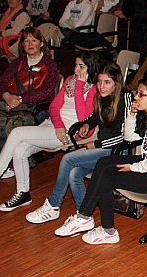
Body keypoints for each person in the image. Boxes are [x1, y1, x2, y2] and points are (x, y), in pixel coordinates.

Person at [54, 78, 147, 244]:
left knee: (106, 178)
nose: (135, 97)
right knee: (104, 162)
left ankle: (100, 226)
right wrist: (131, 114)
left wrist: (133, 167)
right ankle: (88, 218)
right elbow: (129, 137)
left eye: (140, 94)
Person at [0, 52, 98, 210]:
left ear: (90, 68)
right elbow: (54, 106)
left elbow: (82, 117)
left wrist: (79, 88)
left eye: (81, 66)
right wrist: (58, 124)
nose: (76, 70)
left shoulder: (93, 90)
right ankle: (23, 194)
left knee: (17, 133)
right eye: (75, 65)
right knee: (20, 150)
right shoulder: (69, 81)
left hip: (70, 132)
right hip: (55, 125)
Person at [25, 63, 135, 225]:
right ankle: (84, 215)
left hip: (117, 151)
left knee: (68, 159)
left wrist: (96, 144)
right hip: (103, 148)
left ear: (116, 83)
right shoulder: (102, 95)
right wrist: (87, 124)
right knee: (74, 173)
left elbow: (126, 138)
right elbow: (95, 116)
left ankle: (53, 204)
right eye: (99, 82)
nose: (101, 86)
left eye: (107, 82)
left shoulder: (125, 98)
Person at [0, 27, 59, 156]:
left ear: (41, 43)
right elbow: (1, 84)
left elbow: (46, 92)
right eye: (26, 41)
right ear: (22, 45)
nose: (30, 44)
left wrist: (19, 100)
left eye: (34, 40)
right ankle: (7, 158)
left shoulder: (50, 64)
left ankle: (14, 159)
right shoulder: (18, 62)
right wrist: (7, 96)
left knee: (12, 123)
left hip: (38, 106)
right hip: (13, 101)